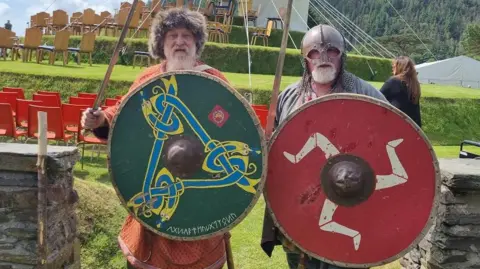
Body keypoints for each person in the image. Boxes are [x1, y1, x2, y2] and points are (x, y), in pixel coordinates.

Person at [81, 8, 230, 269]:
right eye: (173, 35)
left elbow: (232, 125)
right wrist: (102, 119)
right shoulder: (147, 78)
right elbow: (124, 112)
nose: (180, 41)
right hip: (154, 184)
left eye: (187, 35)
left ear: (197, 42)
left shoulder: (214, 80)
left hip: (200, 181)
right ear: (162, 42)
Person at [260, 24, 388, 269]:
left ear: (342, 55)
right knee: (300, 261)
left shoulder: (364, 92)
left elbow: (391, 134)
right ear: (305, 59)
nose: (323, 58)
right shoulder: (289, 95)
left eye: (332, 51)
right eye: (314, 53)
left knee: (344, 260)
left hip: (350, 194)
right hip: (301, 201)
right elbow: (275, 147)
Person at [380, 56, 422, 128]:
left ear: (399, 67)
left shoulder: (393, 81)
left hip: (395, 123)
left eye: (394, 66)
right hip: (413, 126)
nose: (392, 67)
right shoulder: (415, 84)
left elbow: (377, 98)